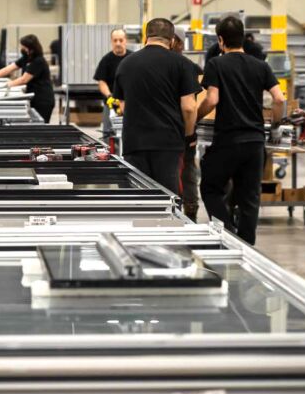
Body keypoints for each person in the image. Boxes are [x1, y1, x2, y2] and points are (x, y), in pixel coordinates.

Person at [197, 15, 285, 245]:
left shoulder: (216, 64)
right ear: (243, 38)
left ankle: (227, 236)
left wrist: (196, 116)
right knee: (249, 198)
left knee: (210, 188)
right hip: (255, 142)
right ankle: (247, 247)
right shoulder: (261, 66)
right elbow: (279, 98)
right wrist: (275, 125)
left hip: (228, 140)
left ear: (220, 40)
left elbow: (212, 99)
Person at [111, 18, 197, 195]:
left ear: (145, 38)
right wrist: (188, 137)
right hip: (168, 144)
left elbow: (123, 106)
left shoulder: (126, 64)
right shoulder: (182, 64)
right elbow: (189, 107)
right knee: (167, 199)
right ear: (172, 40)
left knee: (139, 198)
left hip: (134, 143)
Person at [172, 33, 204, 221]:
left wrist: (190, 133)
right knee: (186, 168)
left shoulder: (190, 68)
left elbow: (192, 105)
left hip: (180, 128)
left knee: (186, 169)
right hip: (184, 128)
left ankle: (187, 208)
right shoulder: (191, 67)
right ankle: (188, 209)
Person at [0, 34, 55, 122]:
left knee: (41, 126)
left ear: (31, 48)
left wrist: (6, 86)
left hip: (43, 99)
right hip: (33, 97)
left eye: (24, 47)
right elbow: (8, 69)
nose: (22, 48)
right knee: (34, 126)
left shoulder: (38, 61)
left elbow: (24, 80)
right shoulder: (26, 58)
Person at [93, 28, 129, 136]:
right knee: (108, 135)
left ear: (126, 40)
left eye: (121, 40)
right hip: (111, 105)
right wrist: (109, 96)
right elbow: (101, 82)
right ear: (111, 41)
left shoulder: (132, 58)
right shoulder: (106, 60)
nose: (118, 43)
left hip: (130, 105)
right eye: (115, 40)